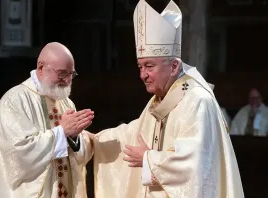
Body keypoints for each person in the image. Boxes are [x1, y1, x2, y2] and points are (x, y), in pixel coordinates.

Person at [92, 1, 244, 197]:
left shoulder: (197, 100)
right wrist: (93, 140)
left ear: (173, 66)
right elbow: (134, 132)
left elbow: (195, 165)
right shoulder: (161, 98)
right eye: (140, 67)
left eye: (149, 66)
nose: (142, 75)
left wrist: (148, 160)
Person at [0, 42, 94, 198]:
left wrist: (74, 137)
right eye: (61, 73)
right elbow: (16, 155)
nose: (67, 80)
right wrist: (61, 133)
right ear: (41, 67)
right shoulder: (14, 101)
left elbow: (77, 156)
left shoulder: (66, 102)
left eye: (71, 74)